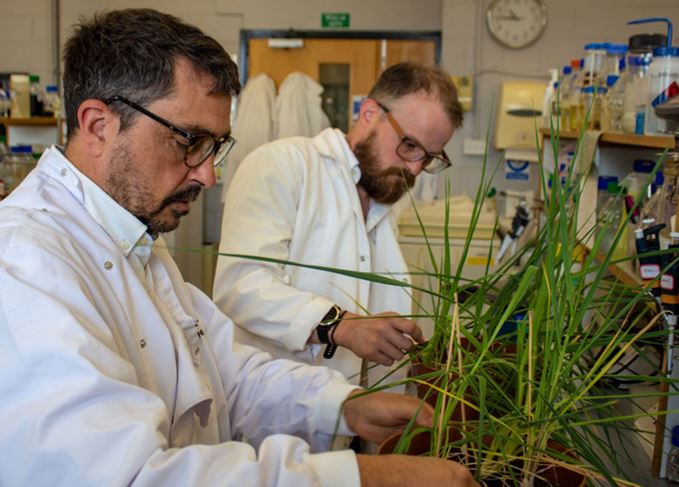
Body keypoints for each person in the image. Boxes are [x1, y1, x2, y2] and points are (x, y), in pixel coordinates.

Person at [0, 9, 477, 487]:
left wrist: (342, 405)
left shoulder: (136, 241)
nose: (207, 175)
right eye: (191, 141)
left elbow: (229, 374)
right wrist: (366, 478)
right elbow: (131, 476)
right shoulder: (25, 262)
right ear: (99, 124)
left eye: (215, 147)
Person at [213, 62, 463, 387]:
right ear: (370, 113)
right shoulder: (282, 164)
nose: (415, 169)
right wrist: (340, 325)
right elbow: (240, 287)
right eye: (410, 145)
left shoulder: (386, 198)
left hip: (359, 414)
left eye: (429, 158)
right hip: (276, 411)